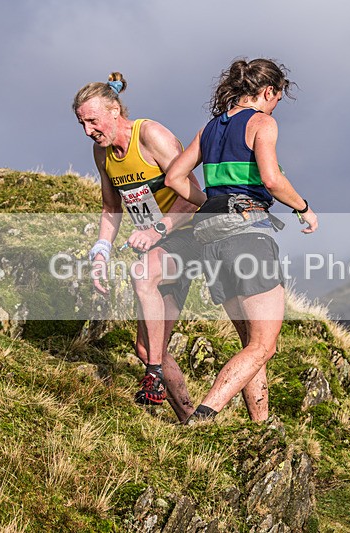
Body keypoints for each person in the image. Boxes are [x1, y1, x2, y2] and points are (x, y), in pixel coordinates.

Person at [164, 58, 318, 423]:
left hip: (209, 238)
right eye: (277, 97)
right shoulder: (262, 122)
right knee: (264, 345)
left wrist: (212, 202)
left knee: (252, 343)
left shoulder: (210, 128)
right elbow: (271, 180)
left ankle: (260, 424)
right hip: (248, 233)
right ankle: (205, 415)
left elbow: (174, 177)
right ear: (268, 91)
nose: (276, 104)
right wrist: (304, 208)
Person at [73, 72, 201, 421]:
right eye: (82, 124)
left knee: (142, 275)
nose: (89, 131)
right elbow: (111, 208)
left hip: (187, 234)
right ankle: (191, 420)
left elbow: (195, 196)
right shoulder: (102, 154)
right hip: (157, 243)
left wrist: (159, 227)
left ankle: (154, 376)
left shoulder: (150, 135)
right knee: (147, 346)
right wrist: (101, 250)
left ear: (114, 110)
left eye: (93, 121)